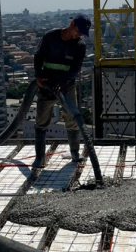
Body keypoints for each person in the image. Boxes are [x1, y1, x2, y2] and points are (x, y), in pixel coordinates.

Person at [32, 14, 91, 168]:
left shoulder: (79, 45)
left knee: (72, 119)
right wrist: (39, 76)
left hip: (66, 86)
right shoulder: (51, 37)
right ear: (72, 24)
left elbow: (75, 69)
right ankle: (39, 158)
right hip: (46, 84)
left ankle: (75, 154)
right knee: (41, 120)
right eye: (78, 31)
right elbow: (38, 57)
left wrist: (60, 83)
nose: (79, 35)